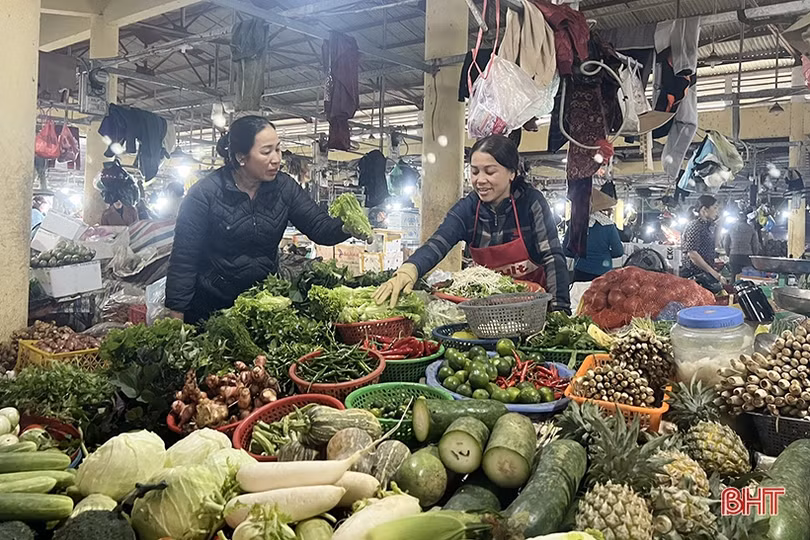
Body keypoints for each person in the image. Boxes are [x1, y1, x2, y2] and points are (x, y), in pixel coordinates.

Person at [165, 115, 359, 323]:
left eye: (277, 149)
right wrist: (176, 319)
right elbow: (183, 260)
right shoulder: (205, 194)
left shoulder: (284, 188)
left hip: (261, 305)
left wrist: (349, 226)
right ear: (241, 157)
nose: (277, 159)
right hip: (210, 310)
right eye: (266, 152)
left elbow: (320, 228)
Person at [374, 134, 571, 312]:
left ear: (512, 173)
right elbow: (438, 243)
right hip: (486, 311)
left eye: (490, 171)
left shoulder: (531, 203)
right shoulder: (468, 209)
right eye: (475, 172)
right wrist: (410, 269)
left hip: (533, 307)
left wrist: (560, 307)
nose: (480, 180)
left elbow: (552, 256)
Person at [568, 188, 624, 282]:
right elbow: (618, 251)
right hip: (603, 272)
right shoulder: (608, 225)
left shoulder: (576, 223)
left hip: (581, 271)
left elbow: (567, 250)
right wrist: (604, 255)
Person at [680, 194, 722, 283]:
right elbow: (692, 254)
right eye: (714, 208)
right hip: (695, 276)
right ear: (704, 210)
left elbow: (715, 245)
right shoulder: (695, 226)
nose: (717, 211)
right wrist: (713, 272)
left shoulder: (707, 226)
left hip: (704, 274)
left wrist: (720, 226)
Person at [724, 208, 759, 280]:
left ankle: (733, 290)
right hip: (747, 256)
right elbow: (755, 245)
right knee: (746, 277)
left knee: (734, 276)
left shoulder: (731, 228)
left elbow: (726, 243)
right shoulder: (751, 229)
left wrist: (728, 253)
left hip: (734, 256)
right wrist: (754, 255)